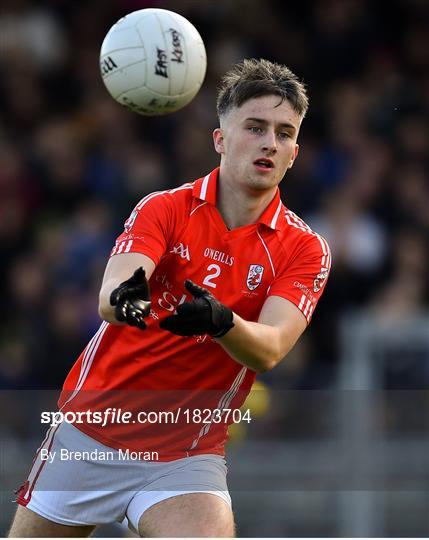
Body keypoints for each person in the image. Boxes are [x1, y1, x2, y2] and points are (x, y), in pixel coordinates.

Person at [9, 58, 331, 538]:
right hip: (90, 432)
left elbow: (270, 348)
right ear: (220, 140)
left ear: (294, 154)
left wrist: (221, 322)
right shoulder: (165, 207)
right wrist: (128, 298)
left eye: (284, 133)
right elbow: (113, 292)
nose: (270, 141)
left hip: (186, 454)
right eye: (256, 127)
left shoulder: (305, 247)